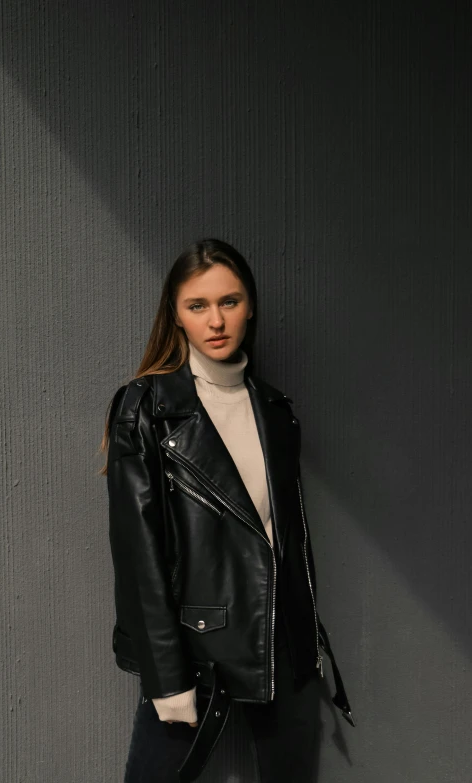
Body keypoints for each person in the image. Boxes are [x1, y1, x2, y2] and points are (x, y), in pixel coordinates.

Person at [99, 239, 354, 783]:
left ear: (250, 306)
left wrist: (307, 646)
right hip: (196, 647)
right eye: (198, 306)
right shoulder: (147, 407)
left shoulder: (275, 410)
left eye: (230, 302)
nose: (216, 321)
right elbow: (138, 555)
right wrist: (167, 677)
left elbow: (288, 540)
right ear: (176, 315)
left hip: (282, 641)